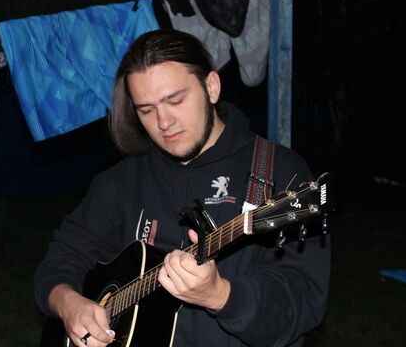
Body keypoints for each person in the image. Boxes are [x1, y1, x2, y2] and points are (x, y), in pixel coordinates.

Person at [34, 29, 330, 347]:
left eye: (175, 100)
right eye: (146, 110)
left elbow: (302, 301)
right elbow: (62, 258)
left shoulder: (278, 171)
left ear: (211, 87)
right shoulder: (122, 181)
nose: (164, 122)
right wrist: (68, 304)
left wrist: (220, 295)